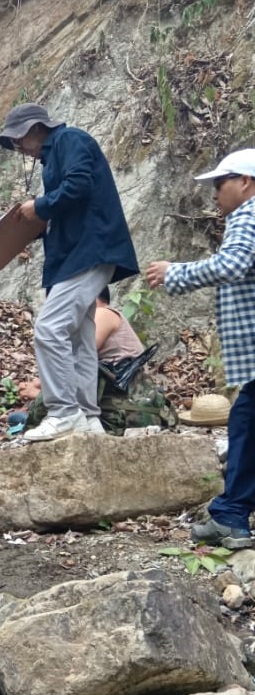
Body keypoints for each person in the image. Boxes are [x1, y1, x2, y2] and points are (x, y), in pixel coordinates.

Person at [0, 103, 139, 441]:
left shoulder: (69, 140)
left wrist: (40, 206)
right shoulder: (56, 153)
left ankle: (63, 411)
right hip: (79, 253)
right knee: (78, 338)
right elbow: (71, 199)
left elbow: (79, 186)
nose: (21, 149)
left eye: (19, 141)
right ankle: (88, 418)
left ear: (34, 129)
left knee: (49, 328)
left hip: (89, 251)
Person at [146, 148, 255, 549]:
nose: (214, 194)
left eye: (219, 183)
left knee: (246, 424)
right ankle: (233, 512)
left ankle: (231, 517)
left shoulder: (248, 214)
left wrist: (176, 272)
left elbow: (231, 266)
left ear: (245, 182)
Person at [19, 286, 145, 402]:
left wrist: (38, 391)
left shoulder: (102, 313)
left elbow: (76, 360)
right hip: (119, 397)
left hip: (127, 401)